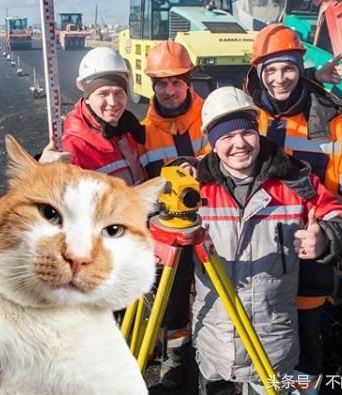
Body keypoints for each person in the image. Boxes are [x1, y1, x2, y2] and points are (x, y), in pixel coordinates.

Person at [244, 24, 342, 393]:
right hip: (251, 262)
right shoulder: (245, 119)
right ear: (259, 74)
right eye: (271, 70)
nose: (280, 79)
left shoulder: (334, 126)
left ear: (300, 69)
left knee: (306, 355)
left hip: (309, 261)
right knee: (250, 348)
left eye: (289, 68)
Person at [193, 87, 342, 395]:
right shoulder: (193, 187)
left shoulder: (295, 182)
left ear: (258, 133)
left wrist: (324, 239)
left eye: (247, 133)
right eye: (227, 137)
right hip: (213, 345)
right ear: (212, 144)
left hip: (272, 347)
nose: (239, 144)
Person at [138, 41, 212, 388]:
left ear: (188, 83)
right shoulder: (141, 132)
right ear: (152, 85)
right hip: (168, 234)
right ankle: (175, 358)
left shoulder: (211, 119)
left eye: (176, 82)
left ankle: (220, 356)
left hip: (216, 227)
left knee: (217, 293)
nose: (169, 90)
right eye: (162, 83)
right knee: (173, 299)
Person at [61, 47, 146, 186]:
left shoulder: (130, 130)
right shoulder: (72, 147)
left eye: (118, 93)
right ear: (87, 98)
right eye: (103, 93)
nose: (112, 103)